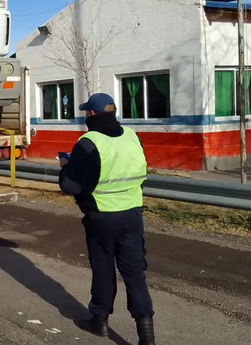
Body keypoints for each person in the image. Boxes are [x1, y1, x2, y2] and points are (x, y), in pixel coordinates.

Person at [58, 93, 156, 345]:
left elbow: (71, 186)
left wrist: (66, 166)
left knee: (103, 269)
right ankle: (146, 335)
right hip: (133, 214)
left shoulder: (88, 142)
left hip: (101, 215)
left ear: (91, 114)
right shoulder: (133, 136)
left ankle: (99, 320)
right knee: (134, 272)